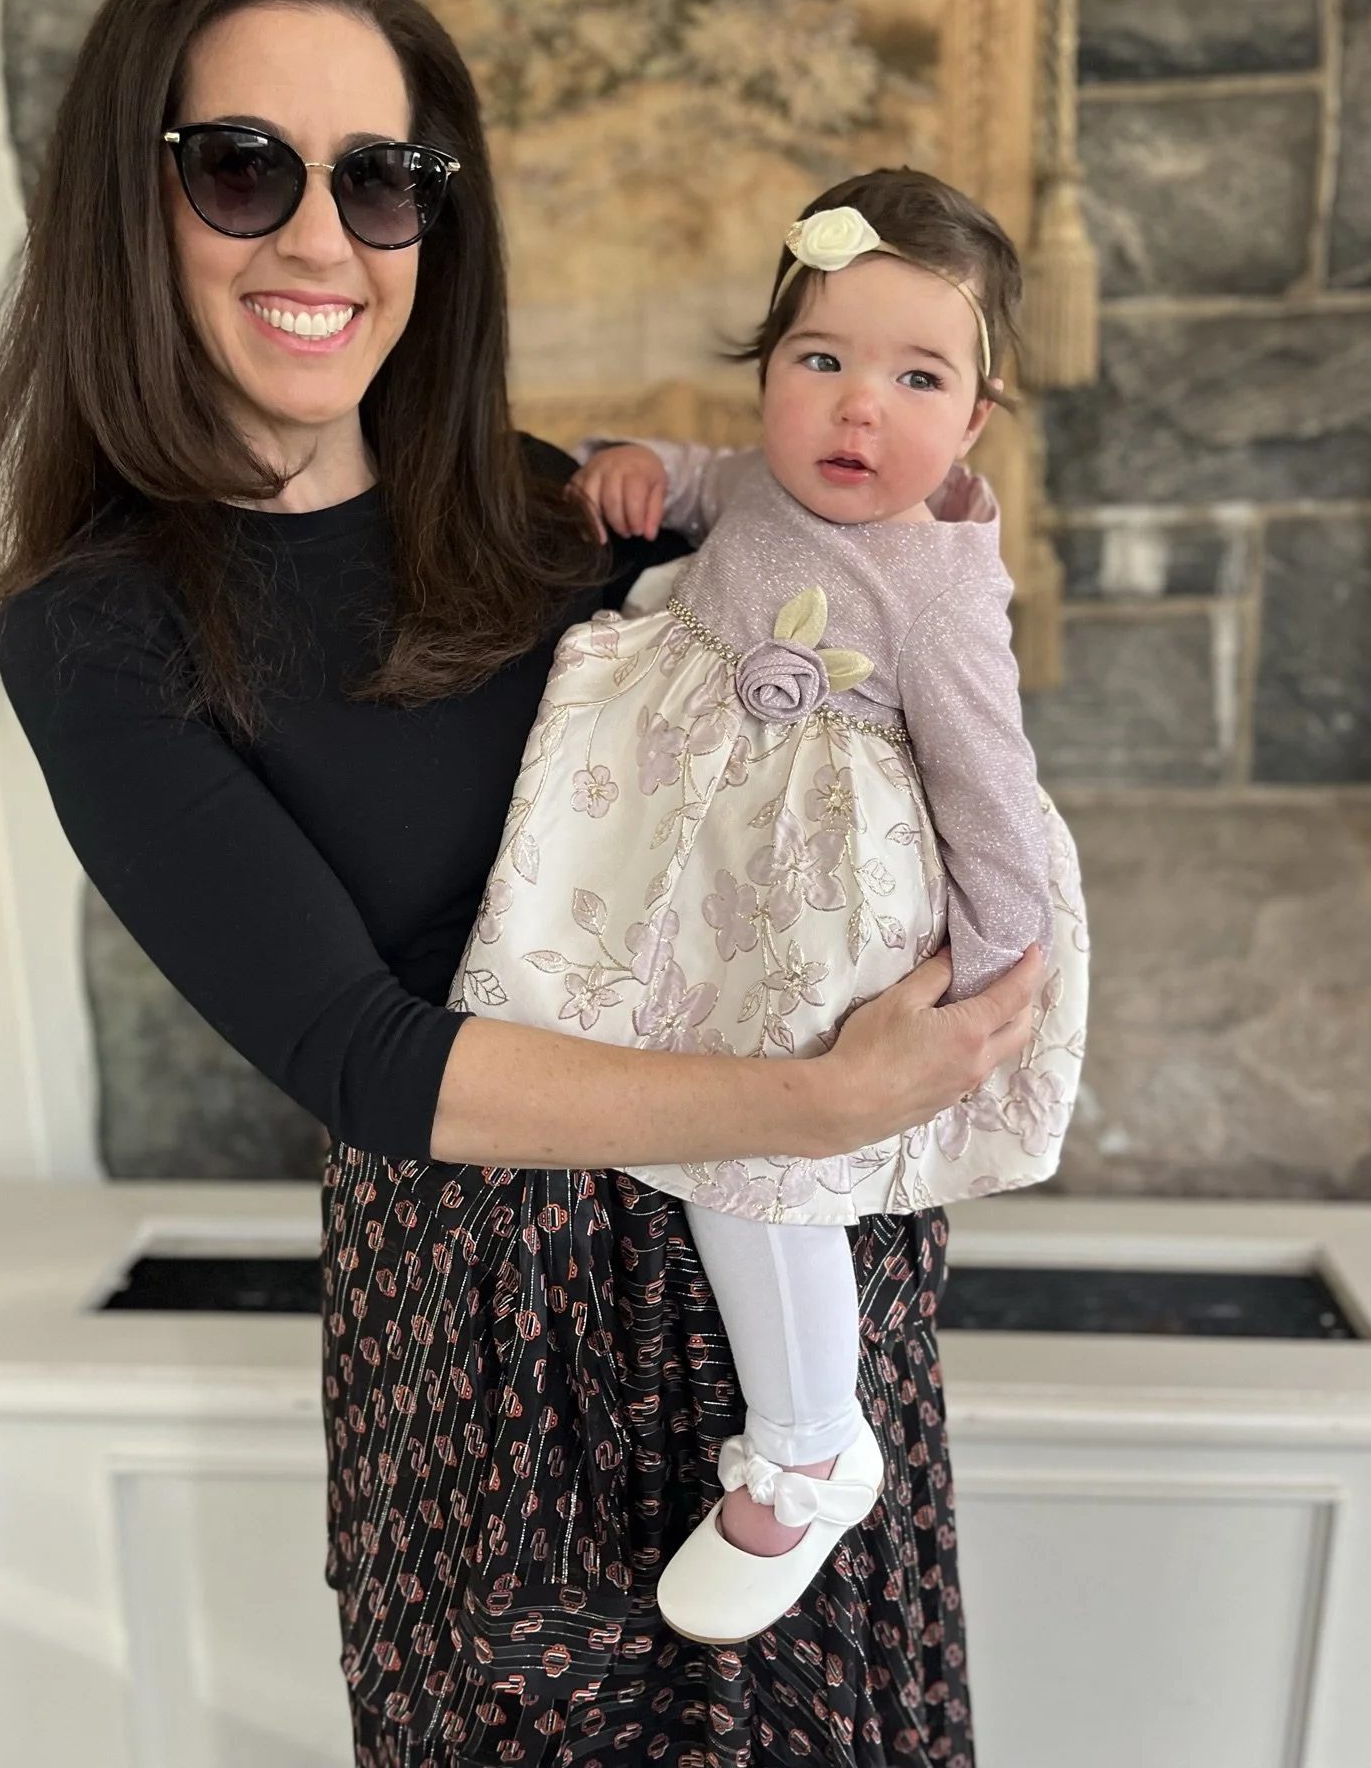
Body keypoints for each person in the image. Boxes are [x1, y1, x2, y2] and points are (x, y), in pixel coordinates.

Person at [0, 0, 1043, 1767]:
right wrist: (819, 1109)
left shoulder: (553, 502)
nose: (321, 238)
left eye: (382, 181)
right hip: (504, 1348)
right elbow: (363, 1060)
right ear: (126, 203)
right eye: (242, 169)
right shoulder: (105, 626)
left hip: (786, 1314)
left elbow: (849, 649)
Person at [452, 170, 1088, 1645]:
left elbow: (994, 788)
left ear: (973, 422)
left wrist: (993, 990)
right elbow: (698, 479)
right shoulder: (766, 477)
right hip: (697, 892)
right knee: (652, 1103)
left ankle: (811, 1443)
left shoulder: (933, 583)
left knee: (760, 1165)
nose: (859, 411)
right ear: (770, 378)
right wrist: (632, 470)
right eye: (822, 362)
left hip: (814, 922)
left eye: (916, 377)